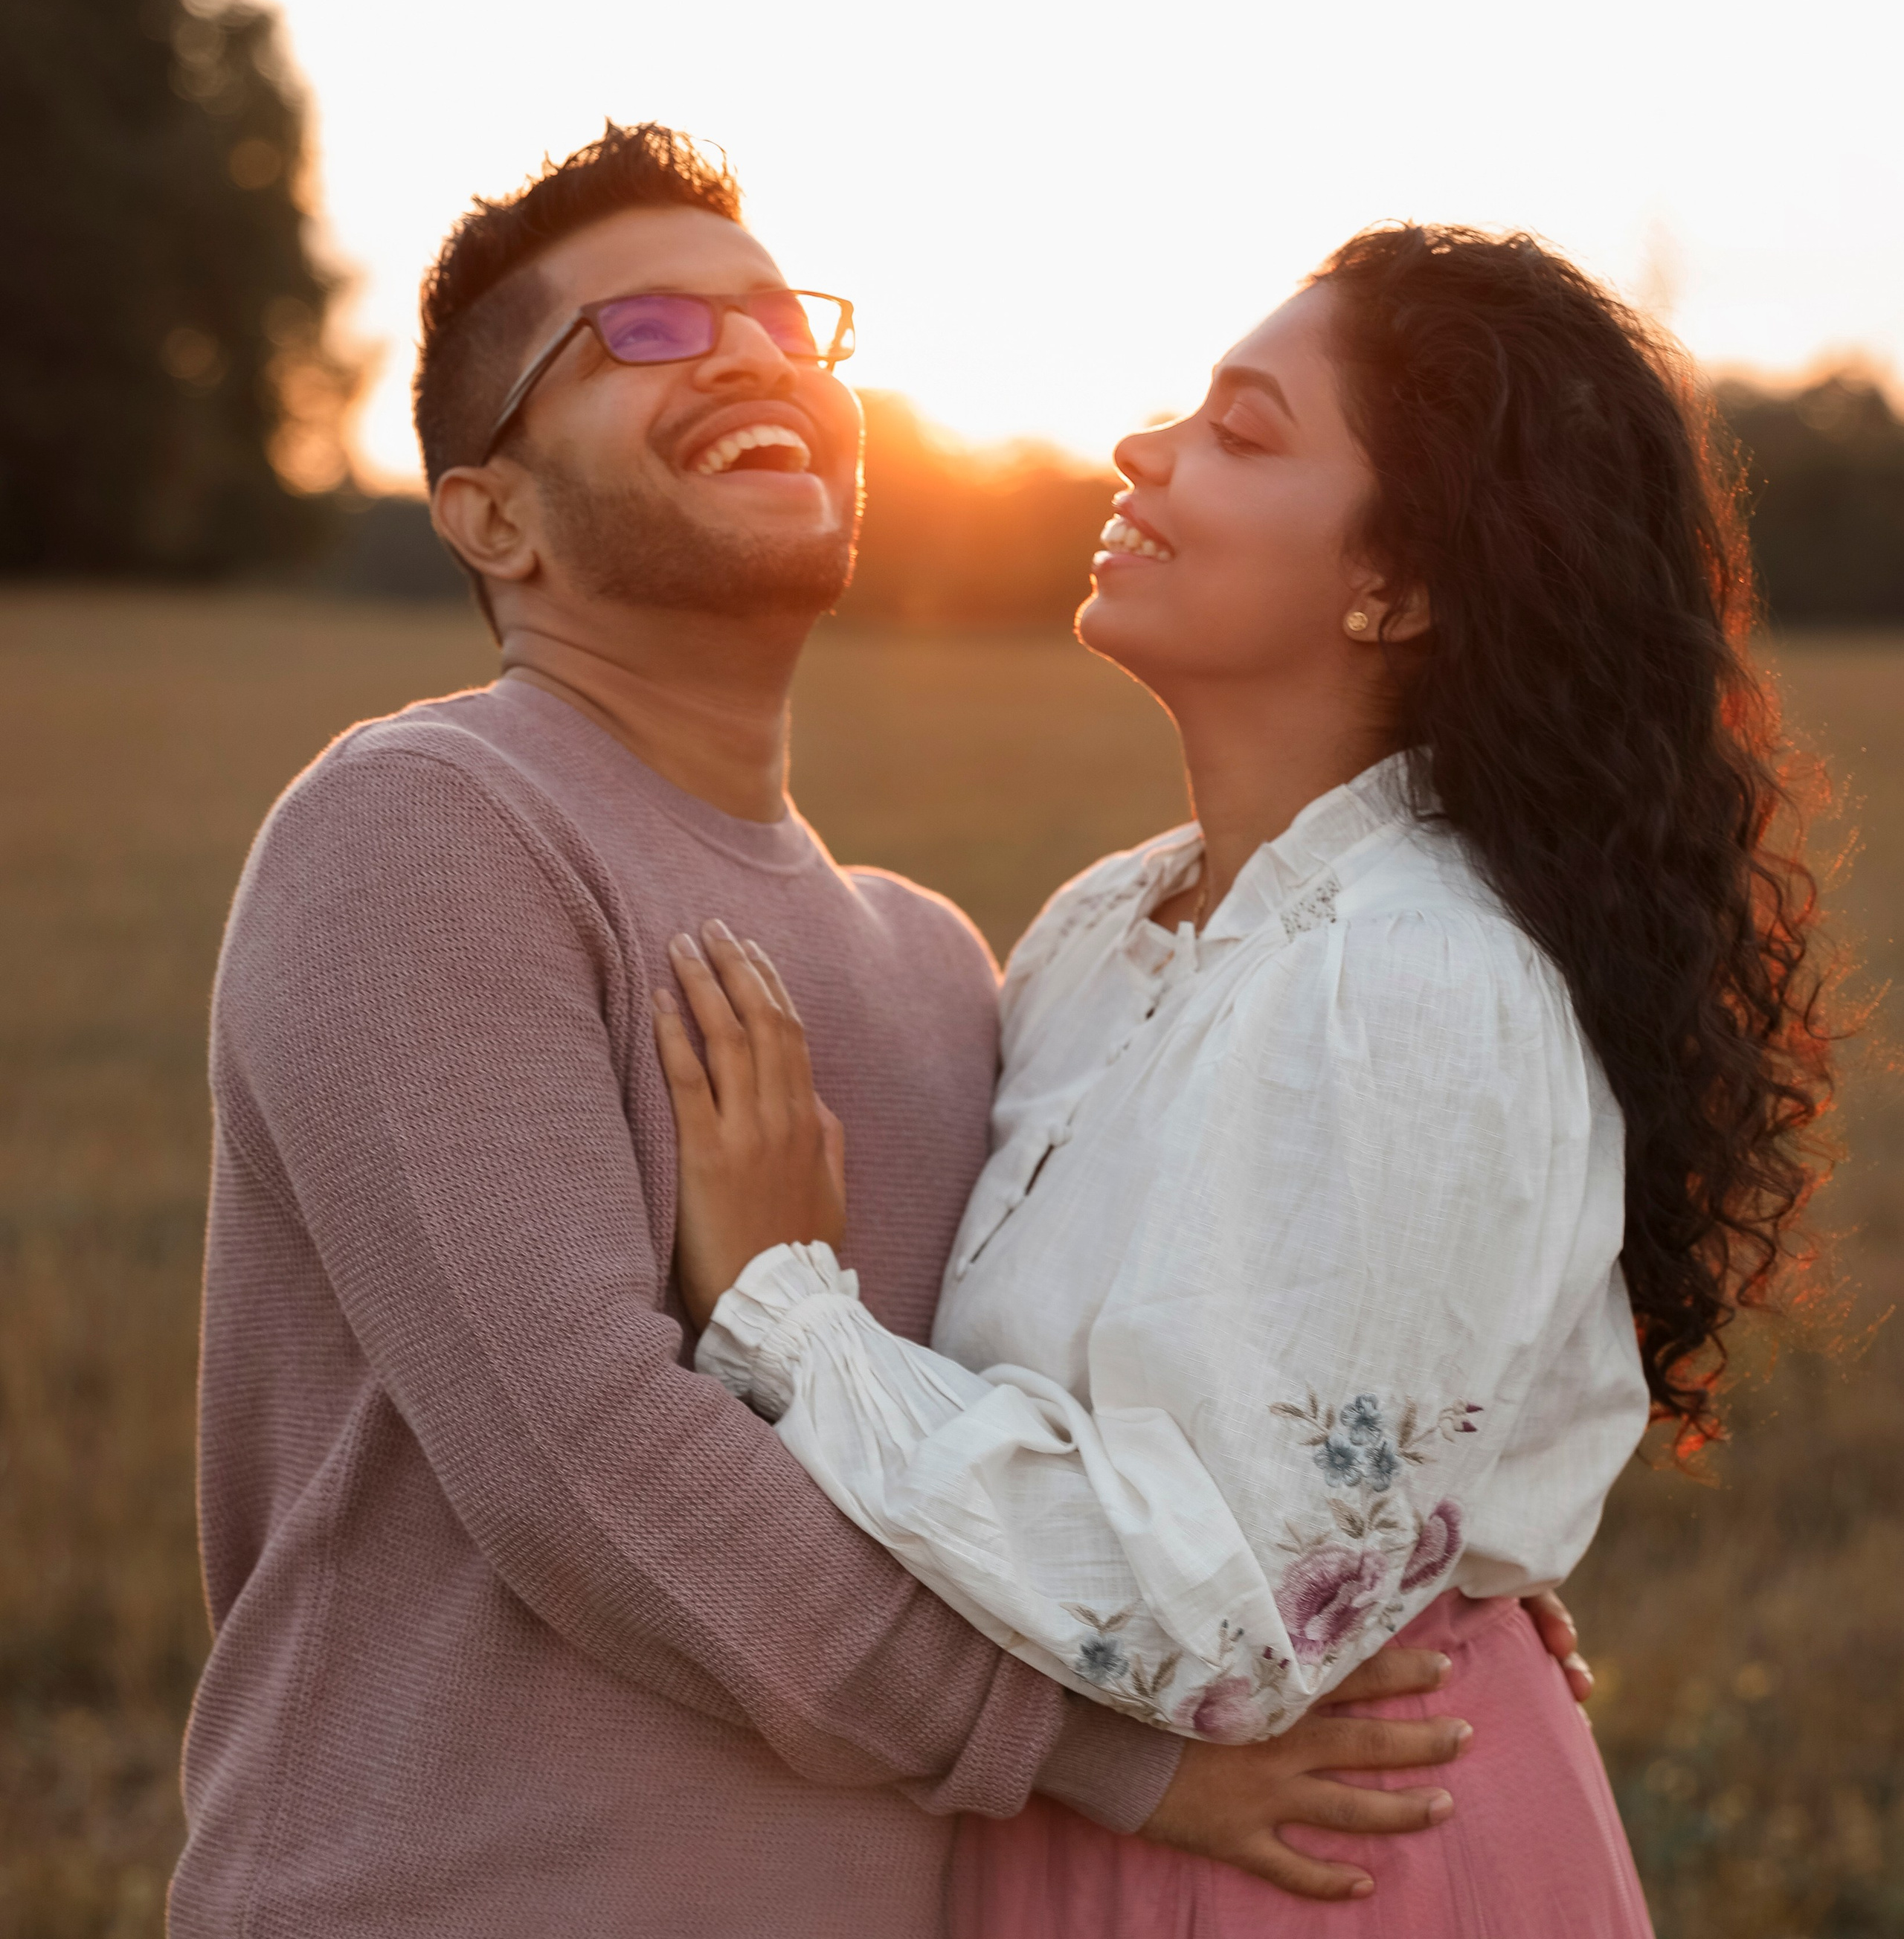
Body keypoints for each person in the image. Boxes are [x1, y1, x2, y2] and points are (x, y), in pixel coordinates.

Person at [175, 129, 1583, 1939]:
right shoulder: (426, 830)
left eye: (783, 321)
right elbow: (593, 1476)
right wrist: (1116, 1756)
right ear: (490, 515)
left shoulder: (945, 966)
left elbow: (1115, 1400)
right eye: (650, 331)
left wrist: (1412, 1560)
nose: (757, 355)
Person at [656, 224, 1834, 1935]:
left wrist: (790, 1320)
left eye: (1242, 430)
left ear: (1403, 581)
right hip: (1083, 1821)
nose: (1144, 452)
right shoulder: (1107, 923)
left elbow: (1235, 1625)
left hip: (1316, 1850)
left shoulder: (1415, 974)